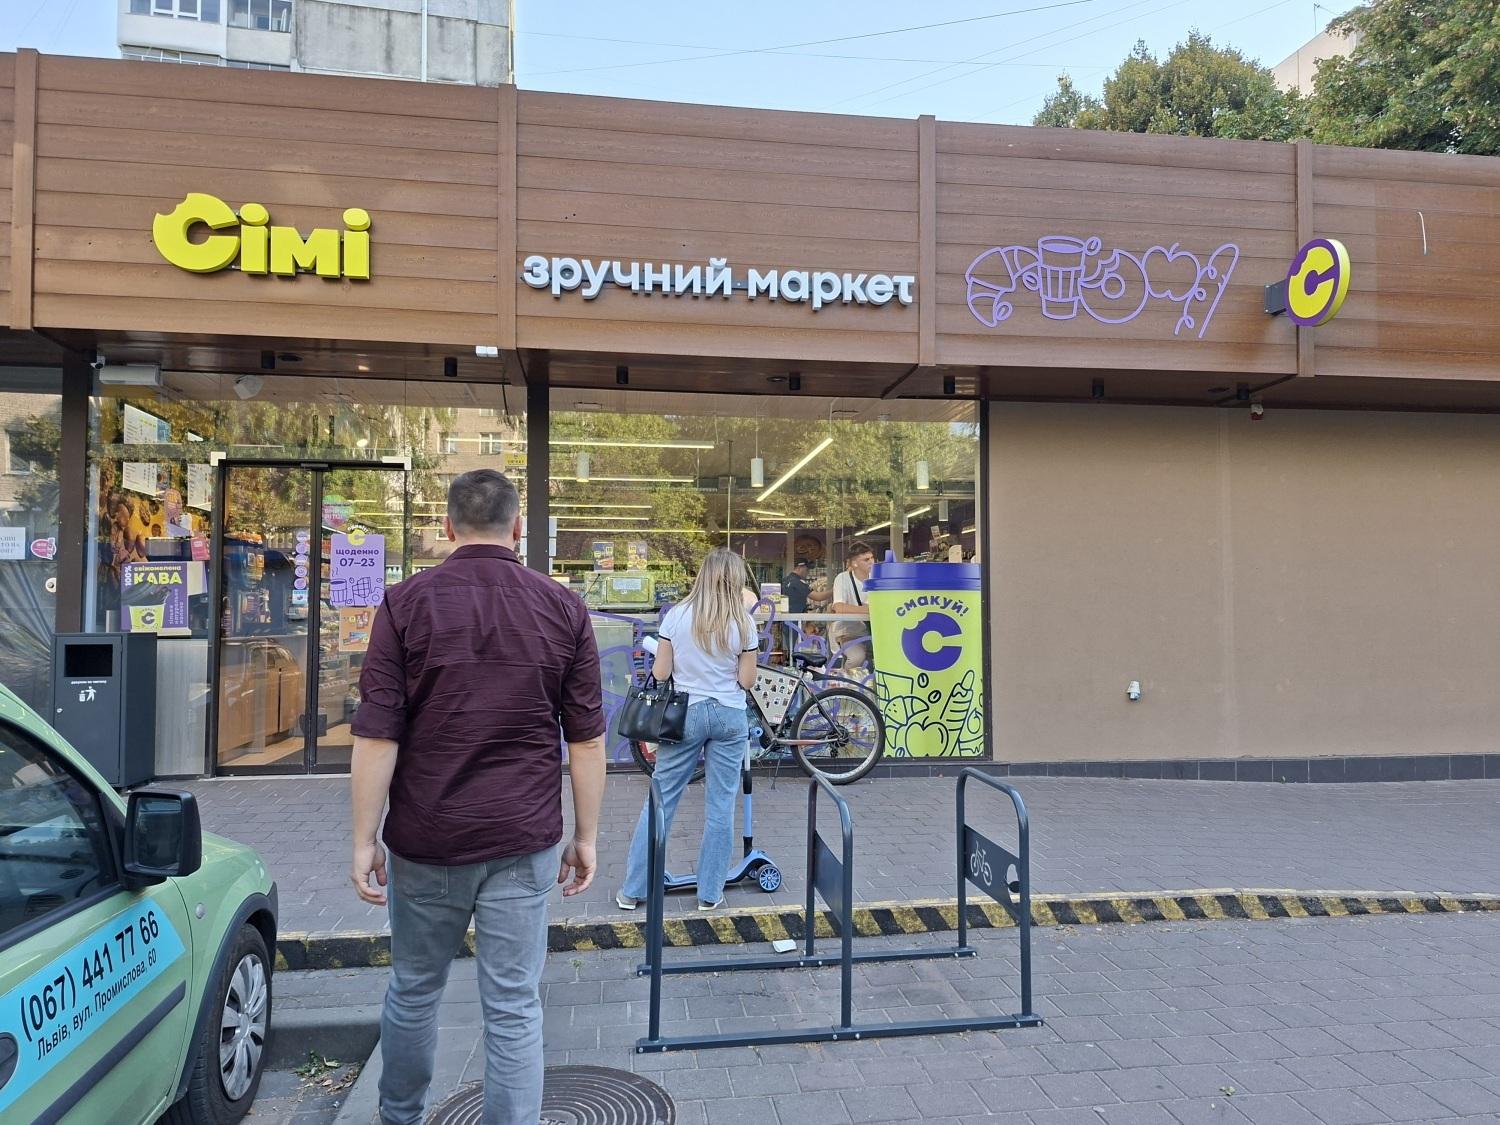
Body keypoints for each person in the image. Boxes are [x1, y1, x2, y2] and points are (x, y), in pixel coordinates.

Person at [348, 469, 607, 1125]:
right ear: (519, 527)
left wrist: (363, 839)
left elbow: (377, 735)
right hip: (523, 836)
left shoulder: (403, 605)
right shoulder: (563, 607)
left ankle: (399, 1116)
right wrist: (585, 836)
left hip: (426, 837)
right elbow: (586, 741)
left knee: (413, 989)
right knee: (514, 1003)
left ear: (447, 527)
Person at [616, 546, 759, 912]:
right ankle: (710, 894)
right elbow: (747, 681)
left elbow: (661, 673)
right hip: (729, 717)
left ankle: (633, 890)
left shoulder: (677, 616)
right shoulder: (744, 623)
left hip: (684, 715)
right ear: (735, 580)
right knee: (721, 806)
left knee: (661, 800)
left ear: (703, 576)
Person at [830, 540, 876, 669]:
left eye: (872, 558)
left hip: (876, 631)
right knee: (856, 658)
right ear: (854, 563)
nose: (872, 562)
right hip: (849, 632)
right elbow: (839, 607)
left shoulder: (877, 578)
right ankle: (846, 681)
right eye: (866, 560)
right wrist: (871, 610)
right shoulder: (843, 578)